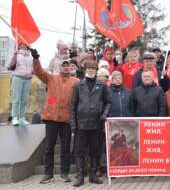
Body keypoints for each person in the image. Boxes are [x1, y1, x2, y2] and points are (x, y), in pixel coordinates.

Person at [32, 50, 79, 184]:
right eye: (63, 65)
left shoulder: (76, 81)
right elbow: (39, 72)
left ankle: (64, 173)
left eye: (67, 65)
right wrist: (36, 59)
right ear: (59, 67)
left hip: (66, 119)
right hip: (51, 117)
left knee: (65, 148)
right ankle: (48, 174)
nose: (65, 67)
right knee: (49, 147)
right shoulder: (51, 78)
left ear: (70, 67)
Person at [70, 61, 111, 187]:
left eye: (94, 68)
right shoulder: (78, 85)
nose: (91, 70)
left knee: (95, 150)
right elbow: (73, 106)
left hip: (96, 123)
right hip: (81, 124)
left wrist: (104, 115)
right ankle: (81, 176)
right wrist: (73, 125)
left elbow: (108, 102)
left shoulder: (102, 85)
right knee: (80, 151)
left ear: (97, 70)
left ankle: (93, 175)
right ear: (85, 69)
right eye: (89, 68)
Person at [7, 43, 33, 126]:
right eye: (21, 44)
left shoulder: (30, 56)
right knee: (16, 99)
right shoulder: (16, 54)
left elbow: (33, 66)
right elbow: (10, 66)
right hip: (18, 78)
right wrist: (14, 56)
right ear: (19, 45)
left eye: (25, 44)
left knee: (24, 100)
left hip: (28, 79)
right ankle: (14, 118)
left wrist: (33, 71)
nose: (23, 45)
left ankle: (22, 118)